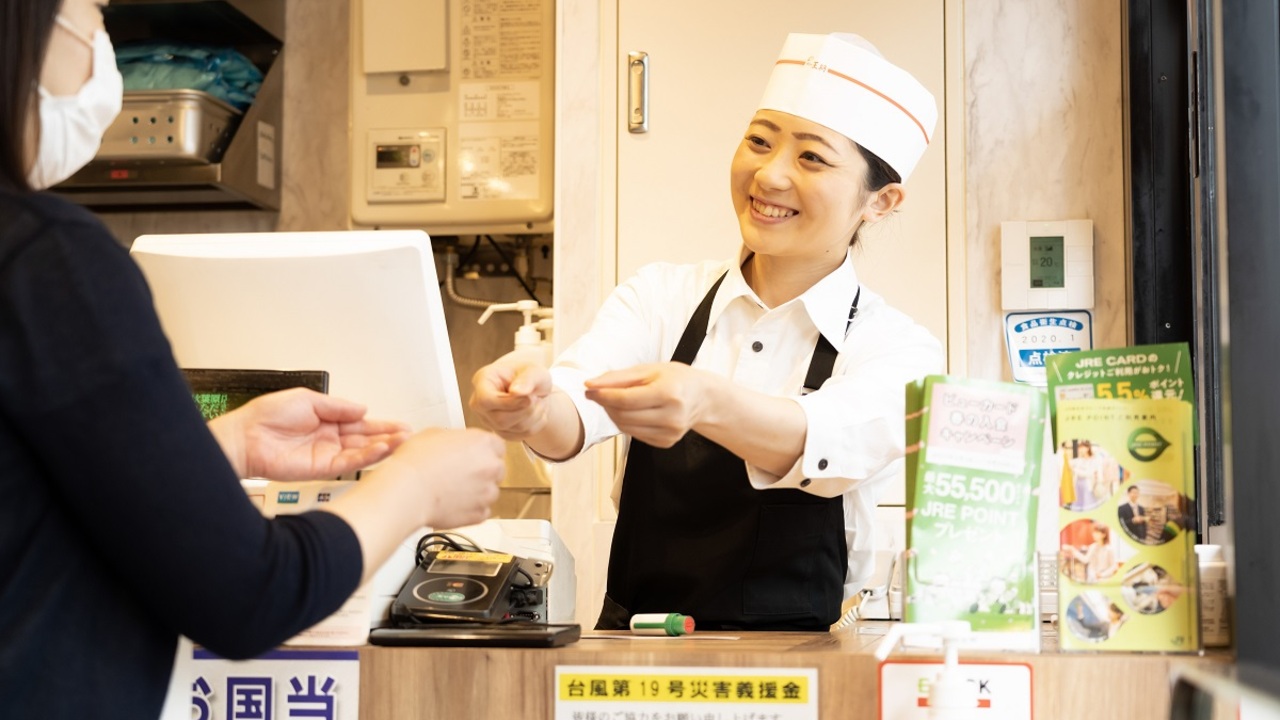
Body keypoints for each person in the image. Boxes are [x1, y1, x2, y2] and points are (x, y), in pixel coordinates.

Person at [0, 2, 506, 717]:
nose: (101, 42)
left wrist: (215, 447)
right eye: (92, 11)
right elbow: (247, 593)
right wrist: (415, 486)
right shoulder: (45, 261)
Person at [471, 31, 942, 630]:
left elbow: (822, 438)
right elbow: (574, 407)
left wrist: (704, 400)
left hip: (798, 672)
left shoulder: (899, 349)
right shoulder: (660, 296)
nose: (768, 176)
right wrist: (531, 410)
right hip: (636, 659)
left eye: (811, 157)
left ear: (881, 201)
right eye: (759, 142)